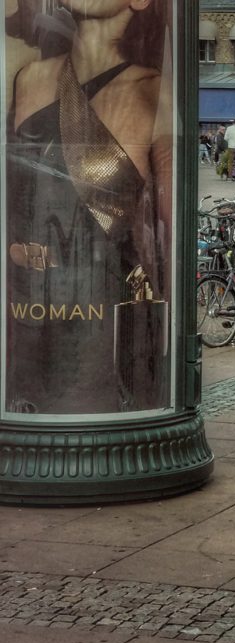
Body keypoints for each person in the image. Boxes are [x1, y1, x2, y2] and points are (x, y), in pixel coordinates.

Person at [5, 0, 172, 414]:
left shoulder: (153, 92)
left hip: (105, 308)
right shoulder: (27, 77)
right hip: (27, 300)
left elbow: (169, 228)